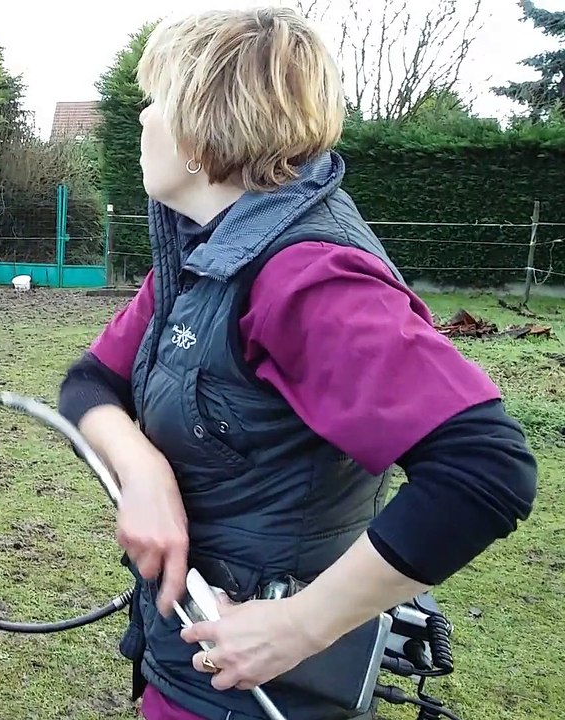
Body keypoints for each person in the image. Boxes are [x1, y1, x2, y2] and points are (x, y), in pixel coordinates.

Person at [57, 8, 538, 720]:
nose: (142, 120)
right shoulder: (200, 258)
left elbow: (486, 470)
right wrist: (142, 469)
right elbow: (89, 382)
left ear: (198, 127)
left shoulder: (305, 277)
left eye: (154, 100)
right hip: (184, 667)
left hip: (264, 697)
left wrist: (299, 627)